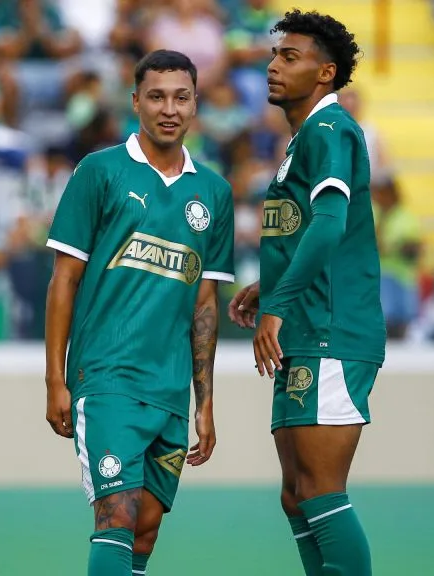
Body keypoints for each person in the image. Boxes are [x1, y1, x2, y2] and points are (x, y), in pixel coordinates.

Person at [43, 50, 235, 576]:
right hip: (106, 378)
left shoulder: (214, 192)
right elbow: (64, 281)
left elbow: (203, 303)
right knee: (118, 514)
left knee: (147, 522)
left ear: (197, 104)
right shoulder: (100, 171)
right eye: (156, 96)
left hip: (169, 387)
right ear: (135, 102)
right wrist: (54, 380)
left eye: (181, 97)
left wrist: (205, 401)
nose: (168, 108)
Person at [227, 9, 384, 576]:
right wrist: (268, 285)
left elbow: (329, 222)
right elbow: (305, 232)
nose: (273, 66)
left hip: (329, 332)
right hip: (306, 329)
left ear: (325, 72)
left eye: (289, 57)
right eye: (274, 55)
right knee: (296, 494)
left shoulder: (331, 130)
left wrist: (278, 303)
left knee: (319, 488)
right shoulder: (304, 139)